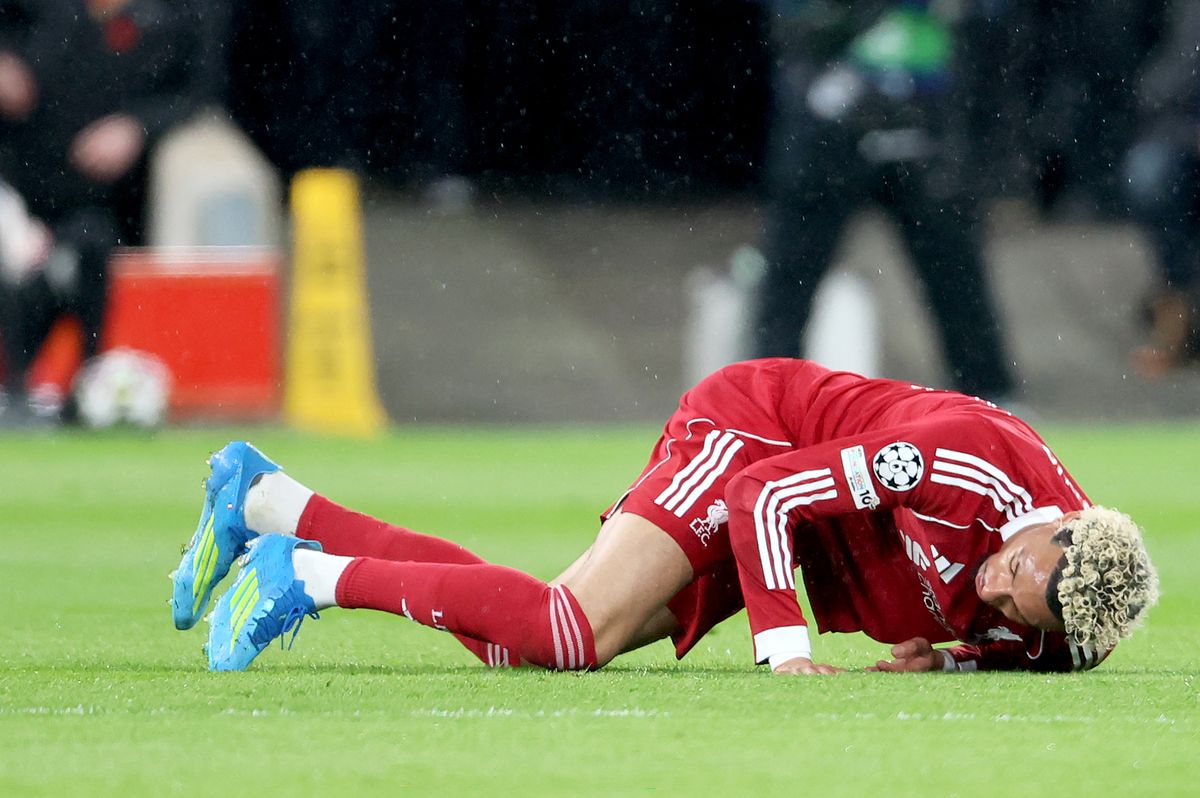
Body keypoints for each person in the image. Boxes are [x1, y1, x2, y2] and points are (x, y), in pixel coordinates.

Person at [171, 359, 1158, 675]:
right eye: (1013, 569)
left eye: (1019, 607)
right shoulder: (955, 461)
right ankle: (302, 577)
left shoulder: (1070, 618)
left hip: (812, 521)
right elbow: (764, 494)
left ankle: (266, 501)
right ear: (1054, 527)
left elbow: (1024, 649)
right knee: (566, 631)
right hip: (758, 440)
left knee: (533, 643)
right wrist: (784, 649)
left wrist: (953, 659)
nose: (995, 587)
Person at [754, 1, 1015, 401]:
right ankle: (763, 408)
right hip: (829, 114)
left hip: (925, 111)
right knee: (791, 278)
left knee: (956, 273)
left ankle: (993, 405)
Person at [0, 0, 205, 422]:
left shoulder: (169, 18)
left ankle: (90, 387)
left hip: (101, 209)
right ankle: (14, 392)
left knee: (91, 246)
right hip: (16, 192)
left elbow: (196, 92)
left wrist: (136, 125)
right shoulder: (33, 13)